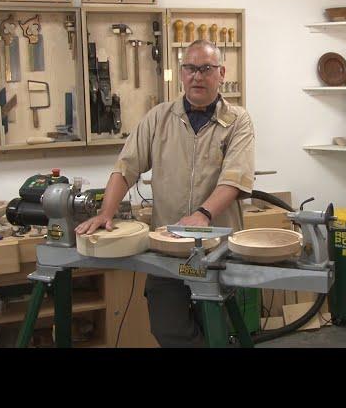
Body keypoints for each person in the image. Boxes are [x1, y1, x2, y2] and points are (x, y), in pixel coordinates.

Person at [75, 39, 255, 347]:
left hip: (217, 250)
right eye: (190, 68)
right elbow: (125, 168)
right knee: (167, 327)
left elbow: (235, 180)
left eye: (206, 69)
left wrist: (203, 215)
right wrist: (105, 212)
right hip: (167, 247)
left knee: (216, 328)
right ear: (182, 73)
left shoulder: (238, 121)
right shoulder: (158, 118)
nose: (197, 76)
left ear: (221, 73)